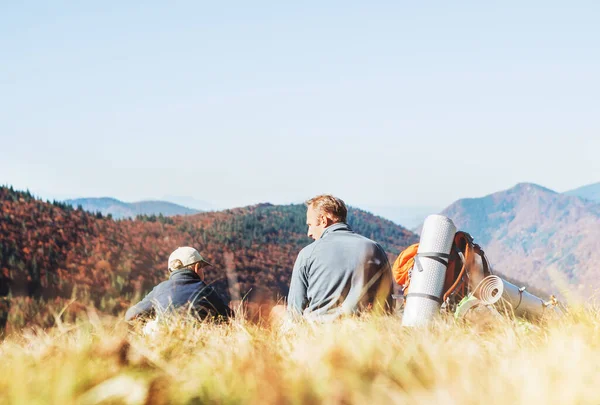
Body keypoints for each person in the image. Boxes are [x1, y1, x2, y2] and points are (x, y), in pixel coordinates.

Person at [287, 195, 394, 321]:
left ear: (323, 220)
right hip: (364, 335)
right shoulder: (374, 248)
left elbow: (295, 312)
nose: (309, 233)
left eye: (310, 225)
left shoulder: (307, 254)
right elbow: (387, 304)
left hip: (318, 335)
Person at [125, 246, 233, 322]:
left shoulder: (158, 290)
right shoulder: (206, 291)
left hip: (165, 345)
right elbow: (231, 318)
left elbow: (130, 315)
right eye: (202, 267)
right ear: (196, 268)